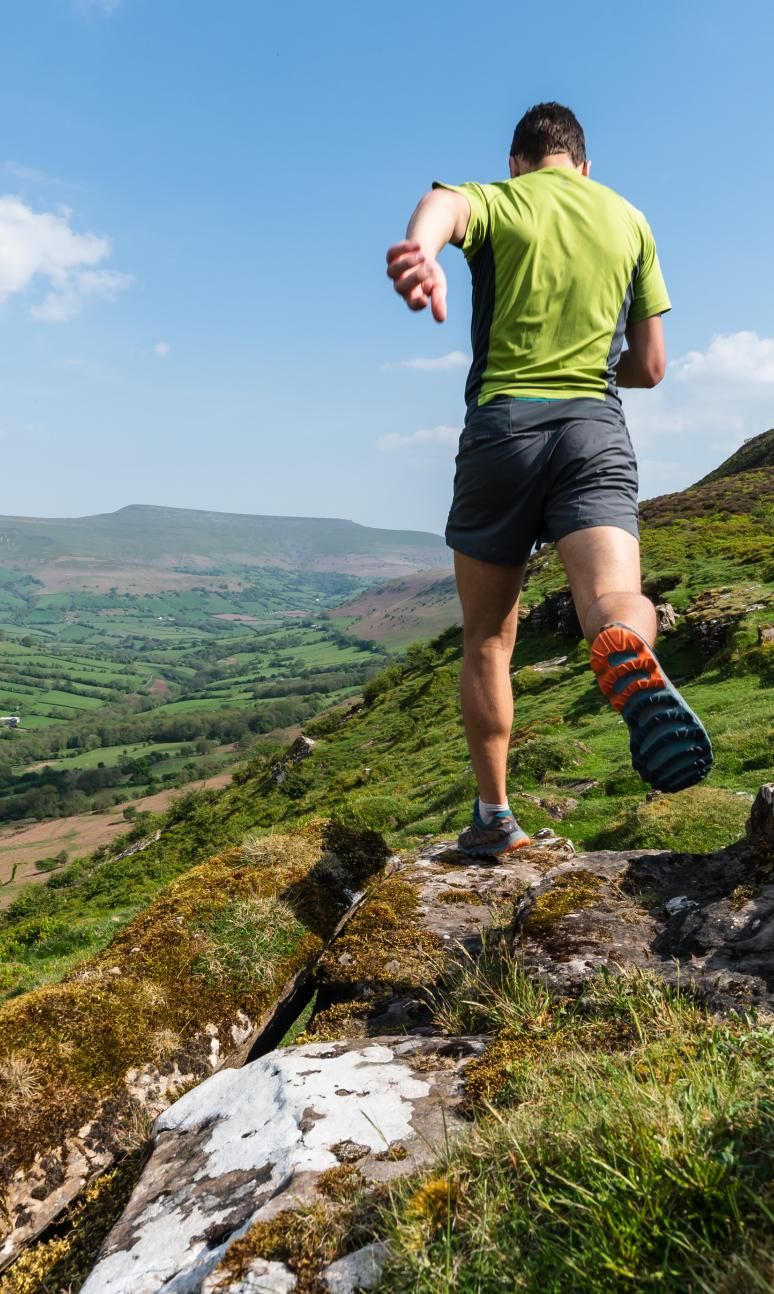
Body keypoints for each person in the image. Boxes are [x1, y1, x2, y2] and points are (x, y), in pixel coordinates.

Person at [386, 101, 712, 860]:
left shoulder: (504, 198)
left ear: (517, 161)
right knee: (609, 600)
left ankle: (496, 817)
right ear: (584, 163)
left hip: (504, 429)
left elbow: (447, 204)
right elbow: (653, 367)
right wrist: (596, 367)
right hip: (595, 428)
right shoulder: (630, 219)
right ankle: (628, 643)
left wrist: (423, 250)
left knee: (489, 640)